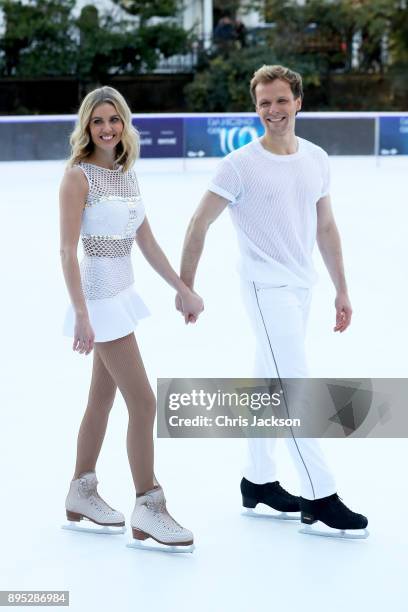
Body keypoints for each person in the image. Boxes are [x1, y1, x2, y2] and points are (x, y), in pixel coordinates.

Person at [177, 65, 368, 538]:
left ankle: (257, 481)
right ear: (256, 107)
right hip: (265, 290)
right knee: (294, 386)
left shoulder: (317, 158)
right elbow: (199, 223)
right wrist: (186, 286)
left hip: (303, 286)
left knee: (270, 383)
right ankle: (319, 493)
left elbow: (326, 227)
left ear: (298, 102)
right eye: (264, 103)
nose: (273, 111)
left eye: (281, 101)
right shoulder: (239, 164)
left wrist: (341, 287)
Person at [60, 86, 203, 550]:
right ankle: (149, 504)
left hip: (122, 294)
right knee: (144, 403)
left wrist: (182, 289)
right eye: (98, 121)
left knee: (102, 400)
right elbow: (66, 251)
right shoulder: (77, 178)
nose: (106, 128)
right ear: (86, 126)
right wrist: (82, 313)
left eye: (114, 120)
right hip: (98, 298)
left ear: (125, 124)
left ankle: (81, 491)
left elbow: (147, 243)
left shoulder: (126, 175)